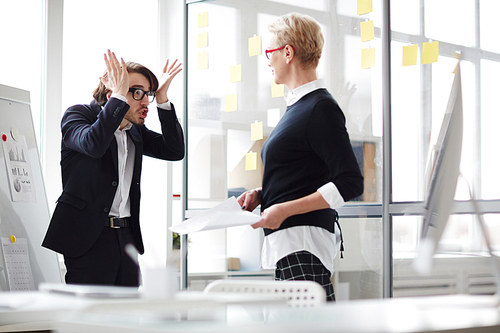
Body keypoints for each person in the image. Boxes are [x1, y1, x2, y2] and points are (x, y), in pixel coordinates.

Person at [237, 13, 363, 301]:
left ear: (288, 52)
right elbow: (302, 173)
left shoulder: (320, 108)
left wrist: (284, 210)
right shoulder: (299, 107)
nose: (268, 61)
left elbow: (350, 182)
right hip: (290, 244)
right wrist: (262, 193)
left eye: (270, 53)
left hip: (302, 244)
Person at [42, 50, 185, 287]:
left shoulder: (135, 131)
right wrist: (118, 99)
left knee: (127, 318)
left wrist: (162, 99)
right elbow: (94, 144)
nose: (145, 100)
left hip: (126, 236)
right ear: (112, 93)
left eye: (147, 93)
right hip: (88, 238)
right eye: (137, 92)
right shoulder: (78, 116)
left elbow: (174, 151)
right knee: (90, 320)